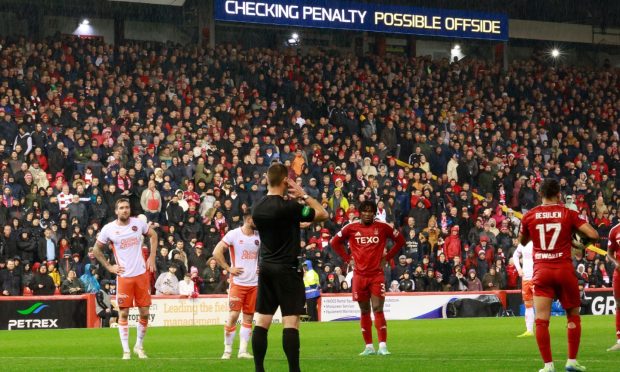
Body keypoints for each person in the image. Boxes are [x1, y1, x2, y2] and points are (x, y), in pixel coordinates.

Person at [251, 163, 328, 372]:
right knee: (291, 322)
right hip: (287, 269)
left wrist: (294, 223)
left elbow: (278, 225)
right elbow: (322, 213)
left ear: (267, 180)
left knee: (262, 321)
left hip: (266, 267)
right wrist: (303, 195)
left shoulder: (256, 208)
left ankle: (259, 369)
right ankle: (294, 370)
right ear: (286, 181)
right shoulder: (291, 207)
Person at [518, 179, 599, 372]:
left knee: (542, 320)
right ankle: (571, 361)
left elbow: (522, 241)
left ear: (540, 194)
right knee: (573, 315)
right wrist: (579, 245)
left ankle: (548, 366)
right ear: (559, 194)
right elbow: (594, 235)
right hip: (563, 269)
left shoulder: (530, 215)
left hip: (542, 271)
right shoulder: (568, 213)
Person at [330, 200, 405, 356]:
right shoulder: (351, 228)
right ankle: (369, 347)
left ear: (374, 213)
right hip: (359, 276)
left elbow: (400, 241)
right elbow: (335, 242)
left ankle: (383, 346)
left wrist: (388, 257)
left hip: (376, 274)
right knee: (364, 311)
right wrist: (347, 258)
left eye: (370, 211)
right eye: (364, 210)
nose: (367, 213)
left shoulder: (382, 227)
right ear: (360, 212)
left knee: (378, 308)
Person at [94, 198, 158, 360]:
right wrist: (109, 267)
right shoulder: (109, 229)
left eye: (127, 207)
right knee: (124, 313)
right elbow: (96, 250)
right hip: (124, 277)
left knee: (144, 312)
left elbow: (154, 235)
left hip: (141, 275)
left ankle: (139, 346)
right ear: (116, 211)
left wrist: (152, 256)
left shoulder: (138, 224)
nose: (125, 210)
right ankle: (126, 351)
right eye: (121, 208)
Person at [212, 213, 260, 360]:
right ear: (248, 219)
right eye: (256, 220)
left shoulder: (259, 236)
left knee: (248, 317)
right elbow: (216, 252)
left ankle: (243, 351)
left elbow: (268, 254)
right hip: (238, 283)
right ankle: (227, 350)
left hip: (254, 283)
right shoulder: (233, 234)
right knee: (233, 315)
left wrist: (262, 266)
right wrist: (228, 268)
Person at [513, 241, 535, 337]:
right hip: (526, 278)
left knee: (540, 304)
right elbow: (515, 256)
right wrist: (519, 269)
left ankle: (542, 329)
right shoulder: (523, 244)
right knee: (528, 305)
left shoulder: (539, 242)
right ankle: (529, 330)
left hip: (537, 278)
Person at [605, 221, 620, 351]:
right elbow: (609, 253)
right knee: (619, 304)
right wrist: (616, 263)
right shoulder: (614, 231)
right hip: (619, 273)